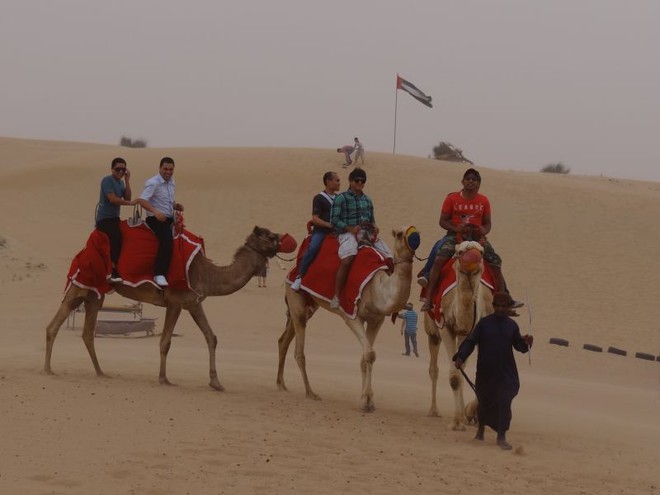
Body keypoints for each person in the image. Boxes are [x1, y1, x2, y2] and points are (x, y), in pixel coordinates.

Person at [421, 168, 522, 311]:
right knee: (439, 259)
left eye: (474, 179)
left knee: (496, 261)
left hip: (477, 237)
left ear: (478, 184)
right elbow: (442, 221)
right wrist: (456, 228)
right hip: (455, 236)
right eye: (468, 178)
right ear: (462, 181)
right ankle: (428, 298)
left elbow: (487, 223)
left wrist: (483, 230)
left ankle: (504, 300)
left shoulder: (484, 200)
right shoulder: (451, 198)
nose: (471, 181)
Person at [453, 292, 533, 450]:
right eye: (498, 306)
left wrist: (527, 343)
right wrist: (461, 356)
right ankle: (480, 431)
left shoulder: (512, 326)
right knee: (484, 402)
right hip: (485, 372)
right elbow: (470, 342)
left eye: (504, 306)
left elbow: (519, 346)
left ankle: (501, 436)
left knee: (504, 401)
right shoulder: (484, 324)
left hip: (505, 373)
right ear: (493, 306)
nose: (500, 309)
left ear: (508, 307)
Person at [330, 167, 392, 309]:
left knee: (389, 257)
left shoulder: (368, 200)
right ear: (350, 181)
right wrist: (350, 228)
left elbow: (372, 220)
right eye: (357, 180)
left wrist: (375, 227)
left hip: (367, 234)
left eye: (363, 181)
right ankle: (337, 296)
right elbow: (334, 220)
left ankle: (388, 295)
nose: (360, 183)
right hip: (348, 233)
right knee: (348, 258)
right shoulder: (341, 198)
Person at [136, 157, 184, 287]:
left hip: (168, 219)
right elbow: (142, 200)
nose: (168, 172)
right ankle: (159, 274)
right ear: (160, 168)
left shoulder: (172, 182)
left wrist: (175, 206)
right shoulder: (153, 182)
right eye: (165, 169)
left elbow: (167, 201)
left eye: (170, 169)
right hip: (155, 219)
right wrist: (155, 212)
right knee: (167, 241)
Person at [291, 171, 341, 291]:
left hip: (339, 231)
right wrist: (329, 225)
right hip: (322, 231)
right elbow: (315, 218)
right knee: (313, 248)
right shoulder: (319, 198)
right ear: (328, 182)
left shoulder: (340, 198)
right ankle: (300, 276)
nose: (339, 183)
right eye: (337, 180)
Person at [95, 157, 135, 283]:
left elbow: (127, 196)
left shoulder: (121, 182)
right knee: (116, 237)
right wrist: (130, 203)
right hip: (105, 219)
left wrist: (127, 181)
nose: (121, 172)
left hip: (114, 218)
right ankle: (112, 271)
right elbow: (112, 199)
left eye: (123, 169)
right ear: (112, 169)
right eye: (118, 169)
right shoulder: (107, 180)